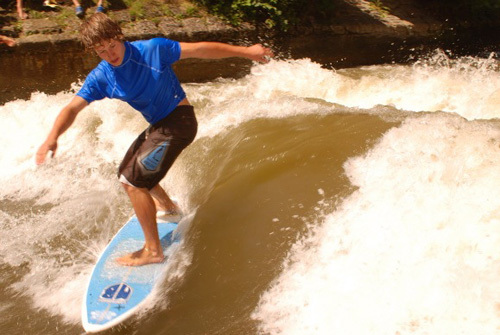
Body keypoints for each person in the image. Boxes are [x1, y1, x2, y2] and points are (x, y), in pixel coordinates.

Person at [36, 13, 273, 266]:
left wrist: (247, 52)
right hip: (159, 126)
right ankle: (168, 208)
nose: (109, 54)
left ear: (119, 37)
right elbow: (71, 108)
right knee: (126, 173)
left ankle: (152, 250)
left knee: (132, 181)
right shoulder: (102, 76)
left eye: (112, 46)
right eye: (101, 51)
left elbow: (202, 50)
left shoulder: (152, 50)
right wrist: (52, 137)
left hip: (179, 121)